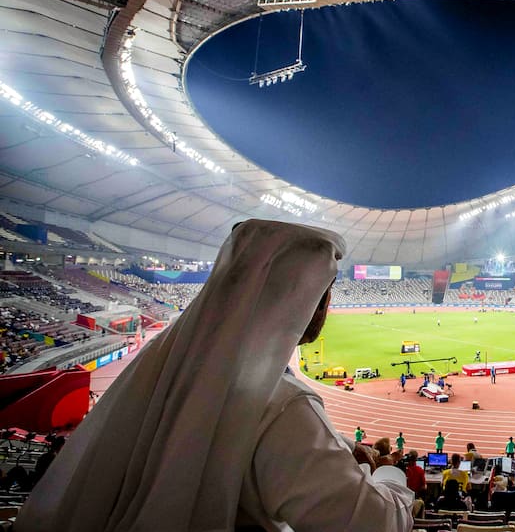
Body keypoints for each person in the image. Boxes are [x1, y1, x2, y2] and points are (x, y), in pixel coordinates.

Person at [18, 220, 415, 531]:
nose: (326, 304)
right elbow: (373, 523)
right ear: (305, 294)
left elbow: (224, 434)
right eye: (324, 290)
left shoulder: (169, 370)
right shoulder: (283, 404)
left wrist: (338, 445)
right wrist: (388, 473)